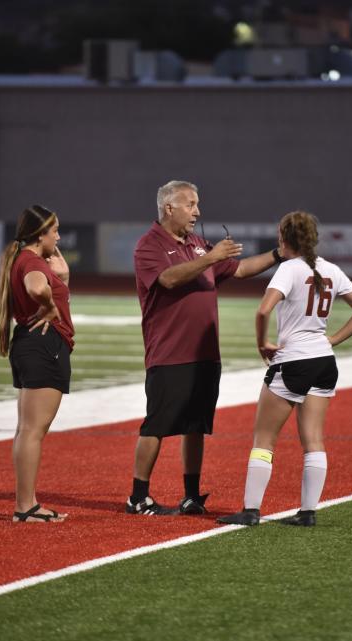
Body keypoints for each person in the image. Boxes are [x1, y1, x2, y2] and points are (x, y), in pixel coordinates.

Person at [128, 180, 283, 516]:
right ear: (169, 208)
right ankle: (138, 496)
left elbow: (239, 268)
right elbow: (168, 279)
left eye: (197, 204)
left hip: (205, 352)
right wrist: (210, 257)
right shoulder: (148, 245)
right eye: (190, 204)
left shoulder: (198, 244)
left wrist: (278, 254)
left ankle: (191, 495)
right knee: (156, 424)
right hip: (170, 351)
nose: (197, 211)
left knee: (196, 425)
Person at [218, 211, 352, 527]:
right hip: (324, 362)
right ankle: (308, 513)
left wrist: (262, 344)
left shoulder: (288, 269)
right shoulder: (331, 269)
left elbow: (263, 310)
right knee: (313, 439)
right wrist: (331, 340)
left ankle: (250, 511)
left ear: (284, 238)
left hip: (293, 361)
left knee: (264, 438)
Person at [0, 204, 75, 523]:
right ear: (40, 234)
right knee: (32, 432)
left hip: (30, 344)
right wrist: (51, 306)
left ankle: (25, 504)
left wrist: (63, 278)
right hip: (45, 346)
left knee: (26, 430)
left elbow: (43, 283)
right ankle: (25, 507)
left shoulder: (25, 258)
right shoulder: (30, 261)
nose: (58, 235)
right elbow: (36, 287)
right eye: (54, 230)